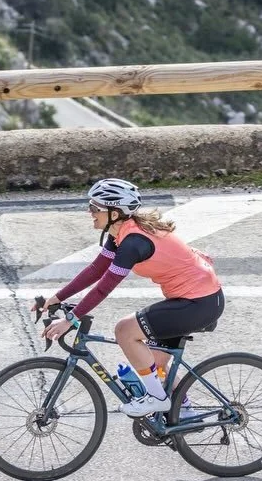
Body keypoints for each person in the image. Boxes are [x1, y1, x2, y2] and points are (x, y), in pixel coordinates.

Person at [35, 178, 224, 417]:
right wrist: (56, 297)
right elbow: (95, 270)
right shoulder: (120, 235)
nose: (90, 212)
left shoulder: (133, 244)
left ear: (114, 213)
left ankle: (157, 399)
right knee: (151, 363)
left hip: (198, 303)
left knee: (125, 330)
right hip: (194, 299)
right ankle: (183, 410)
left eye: (95, 208)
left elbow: (103, 288)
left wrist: (70, 319)